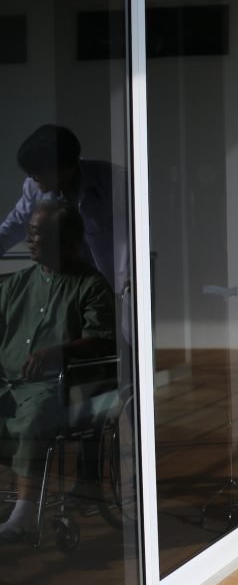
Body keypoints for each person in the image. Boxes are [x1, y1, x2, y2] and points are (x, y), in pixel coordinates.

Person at [0, 200, 115, 538]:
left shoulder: (90, 286)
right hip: (8, 382)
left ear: (65, 240)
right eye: (29, 233)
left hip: (58, 387)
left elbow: (103, 340)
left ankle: (21, 517)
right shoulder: (17, 284)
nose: (28, 241)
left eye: (36, 234)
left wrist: (57, 352)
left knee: (34, 418)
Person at [0, 124, 128, 296]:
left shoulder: (114, 182)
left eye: (38, 173)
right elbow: (16, 224)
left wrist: (130, 274)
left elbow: (134, 235)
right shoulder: (34, 187)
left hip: (114, 284)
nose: (33, 179)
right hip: (67, 286)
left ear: (64, 167)